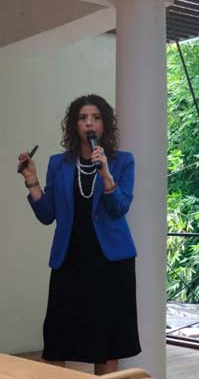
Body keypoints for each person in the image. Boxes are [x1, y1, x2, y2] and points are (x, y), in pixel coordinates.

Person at [17, 94, 141, 375]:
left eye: (96, 117)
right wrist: (32, 181)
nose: (89, 123)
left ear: (105, 125)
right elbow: (47, 214)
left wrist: (106, 175)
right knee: (58, 336)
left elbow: (120, 207)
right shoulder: (58, 163)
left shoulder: (122, 161)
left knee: (108, 340)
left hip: (111, 263)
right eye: (83, 118)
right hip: (70, 259)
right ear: (74, 125)